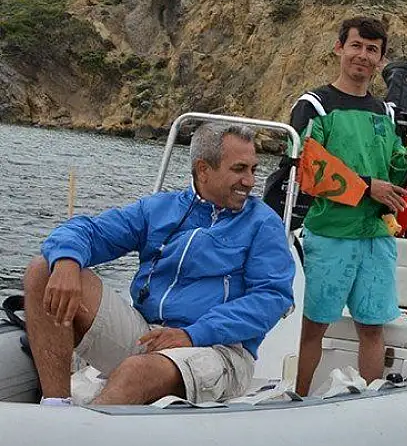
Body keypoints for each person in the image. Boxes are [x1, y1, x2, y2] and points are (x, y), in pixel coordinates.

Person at [22, 122, 295, 405]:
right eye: (239, 169)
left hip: (219, 348)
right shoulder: (159, 209)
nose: (250, 181)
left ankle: (78, 442)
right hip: (148, 333)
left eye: (253, 169)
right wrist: (67, 259)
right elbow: (90, 231)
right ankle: (55, 406)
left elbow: (271, 298)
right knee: (43, 269)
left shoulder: (263, 224)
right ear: (203, 169)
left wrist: (193, 334)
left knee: (135, 371)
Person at [263, 16, 407, 396]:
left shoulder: (385, 112)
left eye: (372, 50)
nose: (363, 55)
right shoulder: (314, 105)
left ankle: (369, 398)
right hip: (329, 235)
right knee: (314, 326)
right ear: (339, 48)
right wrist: (366, 188)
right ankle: (297, 398)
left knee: (372, 327)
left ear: (381, 59)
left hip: (376, 237)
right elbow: (310, 168)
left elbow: (395, 168)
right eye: (356, 46)